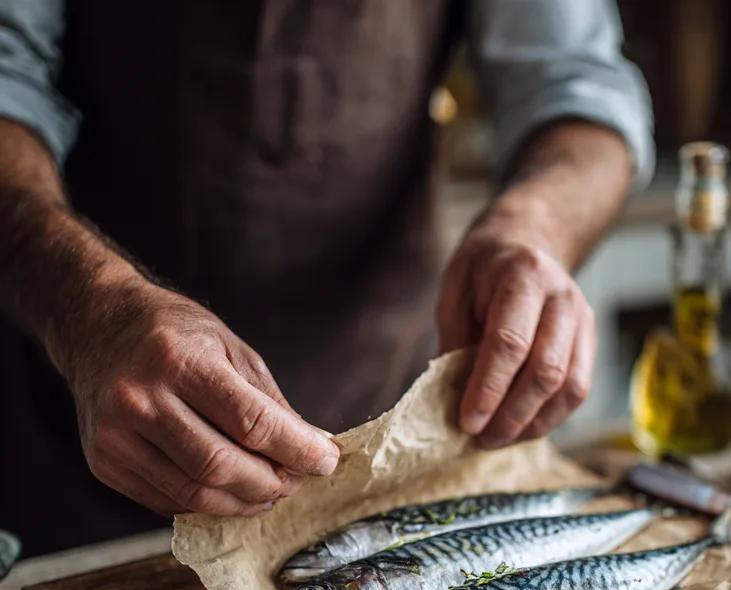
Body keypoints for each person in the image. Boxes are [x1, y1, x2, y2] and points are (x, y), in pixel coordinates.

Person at [0, 0, 653, 556]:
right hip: (76, 425)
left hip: (393, 428)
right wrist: (92, 310)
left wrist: (532, 226)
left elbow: (578, 85)